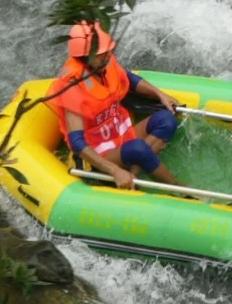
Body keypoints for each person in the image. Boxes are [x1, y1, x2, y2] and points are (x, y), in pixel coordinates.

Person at [48, 21, 180, 190]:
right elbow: (76, 142)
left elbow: (128, 79)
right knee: (138, 149)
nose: (107, 55)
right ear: (85, 56)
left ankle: (132, 175)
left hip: (120, 136)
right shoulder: (73, 87)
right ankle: (178, 189)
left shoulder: (104, 64)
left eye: (107, 50)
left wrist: (159, 94)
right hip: (98, 155)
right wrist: (114, 170)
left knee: (166, 120)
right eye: (101, 53)